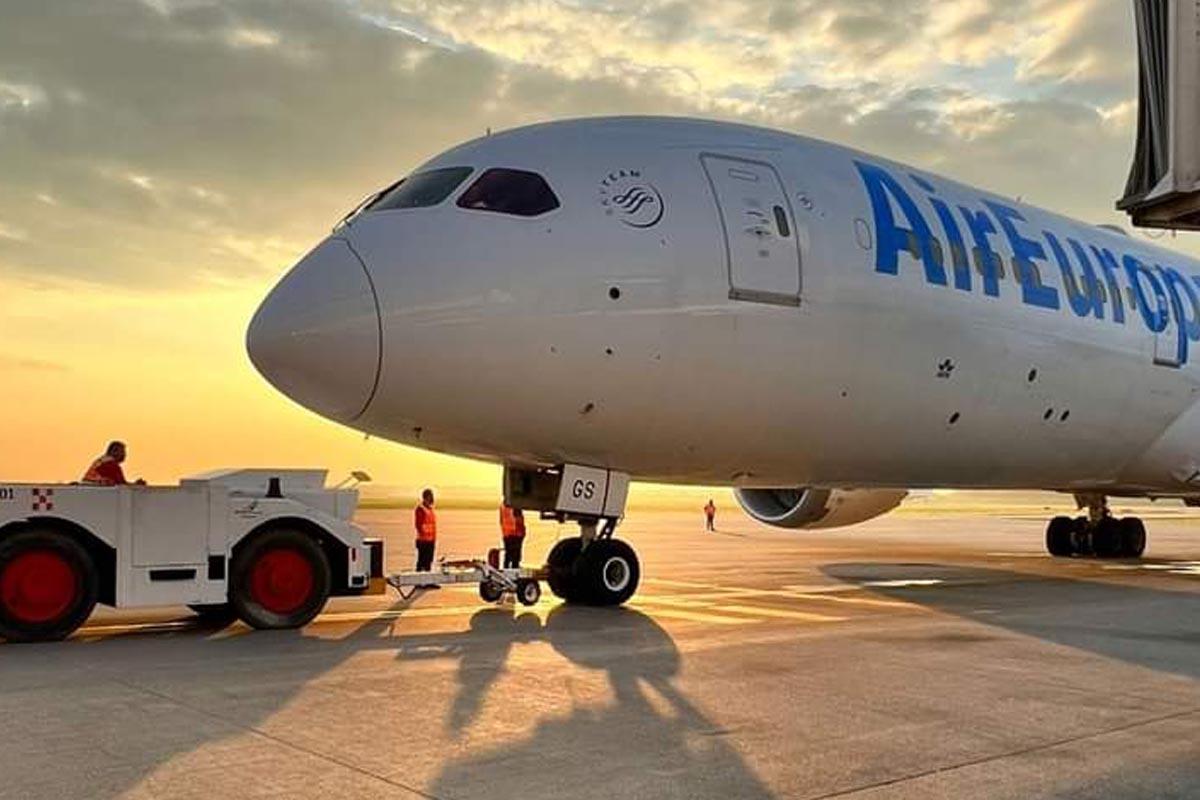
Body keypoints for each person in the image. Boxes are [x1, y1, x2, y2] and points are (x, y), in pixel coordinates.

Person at [414, 488, 439, 589]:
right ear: (425, 497)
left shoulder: (430, 509)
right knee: (421, 562)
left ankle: (428, 581)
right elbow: (418, 525)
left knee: (429, 561)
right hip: (423, 540)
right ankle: (418, 581)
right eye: (429, 496)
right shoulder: (421, 509)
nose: (431, 498)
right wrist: (423, 534)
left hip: (431, 539)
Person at [499, 502, 526, 568]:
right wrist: (522, 532)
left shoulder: (503, 506)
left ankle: (506, 569)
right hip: (516, 533)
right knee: (515, 556)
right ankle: (514, 569)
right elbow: (518, 519)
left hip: (507, 533)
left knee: (508, 554)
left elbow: (501, 520)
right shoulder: (515, 505)